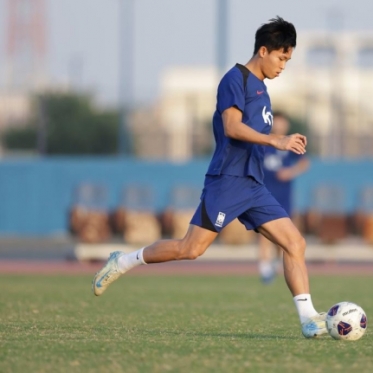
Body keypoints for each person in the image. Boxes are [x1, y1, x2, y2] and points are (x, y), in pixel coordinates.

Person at [92, 16, 327, 339]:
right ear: (263, 50)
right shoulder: (235, 79)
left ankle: (308, 319)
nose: (284, 65)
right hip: (228, 180)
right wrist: (276, 141)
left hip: (253, 185)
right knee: (190, 249)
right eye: (282, 57)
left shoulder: (262, 90)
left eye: (288, 59)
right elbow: (231, 127)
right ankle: (123, 261)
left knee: (294, 243)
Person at [258, 111, 309, 284]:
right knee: (264, 232)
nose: (281, 126)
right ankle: (264, 268)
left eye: (283, 123)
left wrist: (290, 172)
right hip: (265, 193)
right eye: (277, 122)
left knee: (285, 234)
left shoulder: (291, 143)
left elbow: (304, 162)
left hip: (284, 194)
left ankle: (276, 265)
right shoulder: (264, 141)